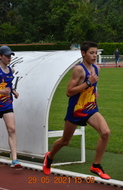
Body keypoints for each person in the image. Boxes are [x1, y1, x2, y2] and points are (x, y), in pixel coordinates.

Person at [42, 41, 111, 180]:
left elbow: (92, 85)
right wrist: (88, 83)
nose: (94, 55)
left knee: (105, 132)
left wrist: (94, 90)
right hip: (76, 110)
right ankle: (49, 157)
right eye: (91, 53)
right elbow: (69, 92)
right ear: (83, 53)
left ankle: (96, 165)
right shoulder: (78, 70)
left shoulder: (97, 69)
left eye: (95, 53)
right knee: (65, 141)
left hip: (90, 108)